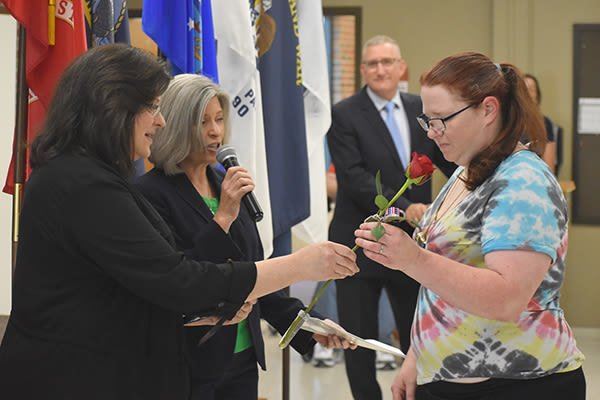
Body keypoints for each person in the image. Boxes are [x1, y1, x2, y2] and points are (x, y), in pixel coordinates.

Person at [0, 44, 358, 400]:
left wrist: (202, 314)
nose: (161, 120)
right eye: (153, 108)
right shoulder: (87, 185)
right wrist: (301, 264)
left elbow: (130, 288)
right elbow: (178, 279)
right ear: (115, 108)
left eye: (219, 119)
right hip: (76, 375)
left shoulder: (93, 177)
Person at [355, 52, 586, 400]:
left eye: (442, 120)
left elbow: (506, 299)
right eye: (427, 121)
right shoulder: (467, 170)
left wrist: (413, 260)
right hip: (452, 377)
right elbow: (447, 281)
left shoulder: (522, 180)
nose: (432, 133)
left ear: (489, 110)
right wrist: (418, 354)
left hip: (517, 384)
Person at [135, 74, 355, 399]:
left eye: (220, 119)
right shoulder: (149, 194)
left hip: (242, 359)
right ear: (178, 125)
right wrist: (222, 216)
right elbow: (181, 279)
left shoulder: (225, 181)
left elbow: (254, 274)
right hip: (186, 363)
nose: (215, 131)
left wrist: (311, 327)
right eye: (203, 121)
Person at [327, 35, 456, 399]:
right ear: (363, 70)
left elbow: (449, 161)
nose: (380, 69)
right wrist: (404, 209)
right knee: (360, 345)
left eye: (387, 62)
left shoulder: (422, 108)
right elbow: (353, 179)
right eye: (372, 64)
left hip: (414, 248)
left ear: (402, 68)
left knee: (416, 337)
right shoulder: (344, 113)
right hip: (359, 245)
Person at [523, 73, 563, 175]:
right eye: (523, 89)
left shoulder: (544, 123)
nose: (527, 92)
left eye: (531, 89)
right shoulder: (505, 122)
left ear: (537, 96)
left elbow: (548, 168)